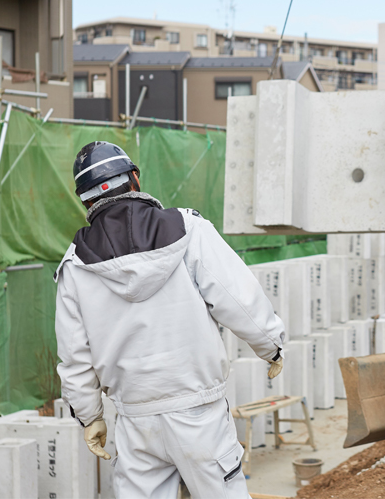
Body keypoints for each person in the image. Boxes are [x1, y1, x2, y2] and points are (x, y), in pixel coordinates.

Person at [54, 141, 285, 498]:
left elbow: (74, 354)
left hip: (135, 420)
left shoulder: (76, 264)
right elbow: (236, 295)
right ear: (134, 178)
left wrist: (90, 416)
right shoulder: (187, 229)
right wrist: (270, 346)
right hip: (199, 411)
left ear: (85, 199)